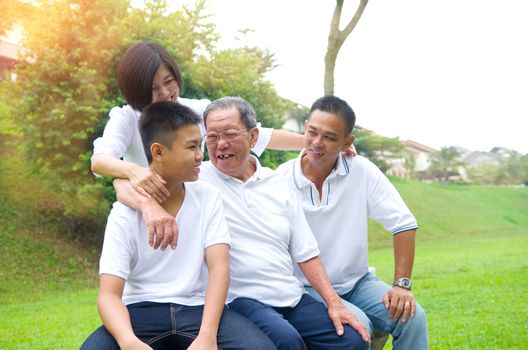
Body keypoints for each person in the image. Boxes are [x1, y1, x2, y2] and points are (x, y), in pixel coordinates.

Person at [115, 97, 369, 350]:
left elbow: (306, 252)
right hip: (240, 300)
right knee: (287, 341)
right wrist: (146, 206)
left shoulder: (278, 181)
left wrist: (334, 303)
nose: (220, 144)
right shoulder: (195, 177)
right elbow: (126, 182)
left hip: (290, 296)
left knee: (352, 342)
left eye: (230, 134)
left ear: (253, 136)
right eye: (211, 137)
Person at [81, 102, 276, 349]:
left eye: (200, 145)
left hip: (198, 309)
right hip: (140, 311)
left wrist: (207, 337)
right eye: (192, 147)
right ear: (158, 152)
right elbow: (109, 295)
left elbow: (219, 268)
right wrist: (128, 341)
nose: (200, 155)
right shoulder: (124, 212)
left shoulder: (207, 196)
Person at [91, 41, 304, 250]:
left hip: (197, 219)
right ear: (137, 91)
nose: (165, 93)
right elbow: (100, 161)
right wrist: (133, 172)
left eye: (169, 81)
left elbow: (261, 135)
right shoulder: (126, 118)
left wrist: (314, 143)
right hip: (152, 222)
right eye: (154, 88)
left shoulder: (196, 110)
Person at [275, 95, 429, 349]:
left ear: (348, 142)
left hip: (358, 282)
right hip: (306, 289)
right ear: (304, 127)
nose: (317, 143)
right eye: (312, 132)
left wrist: (402, 285)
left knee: (412, 317)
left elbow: (403, 224)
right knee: (358, 326)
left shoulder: (361, 170)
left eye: (330, 137)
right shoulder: (280, 180)